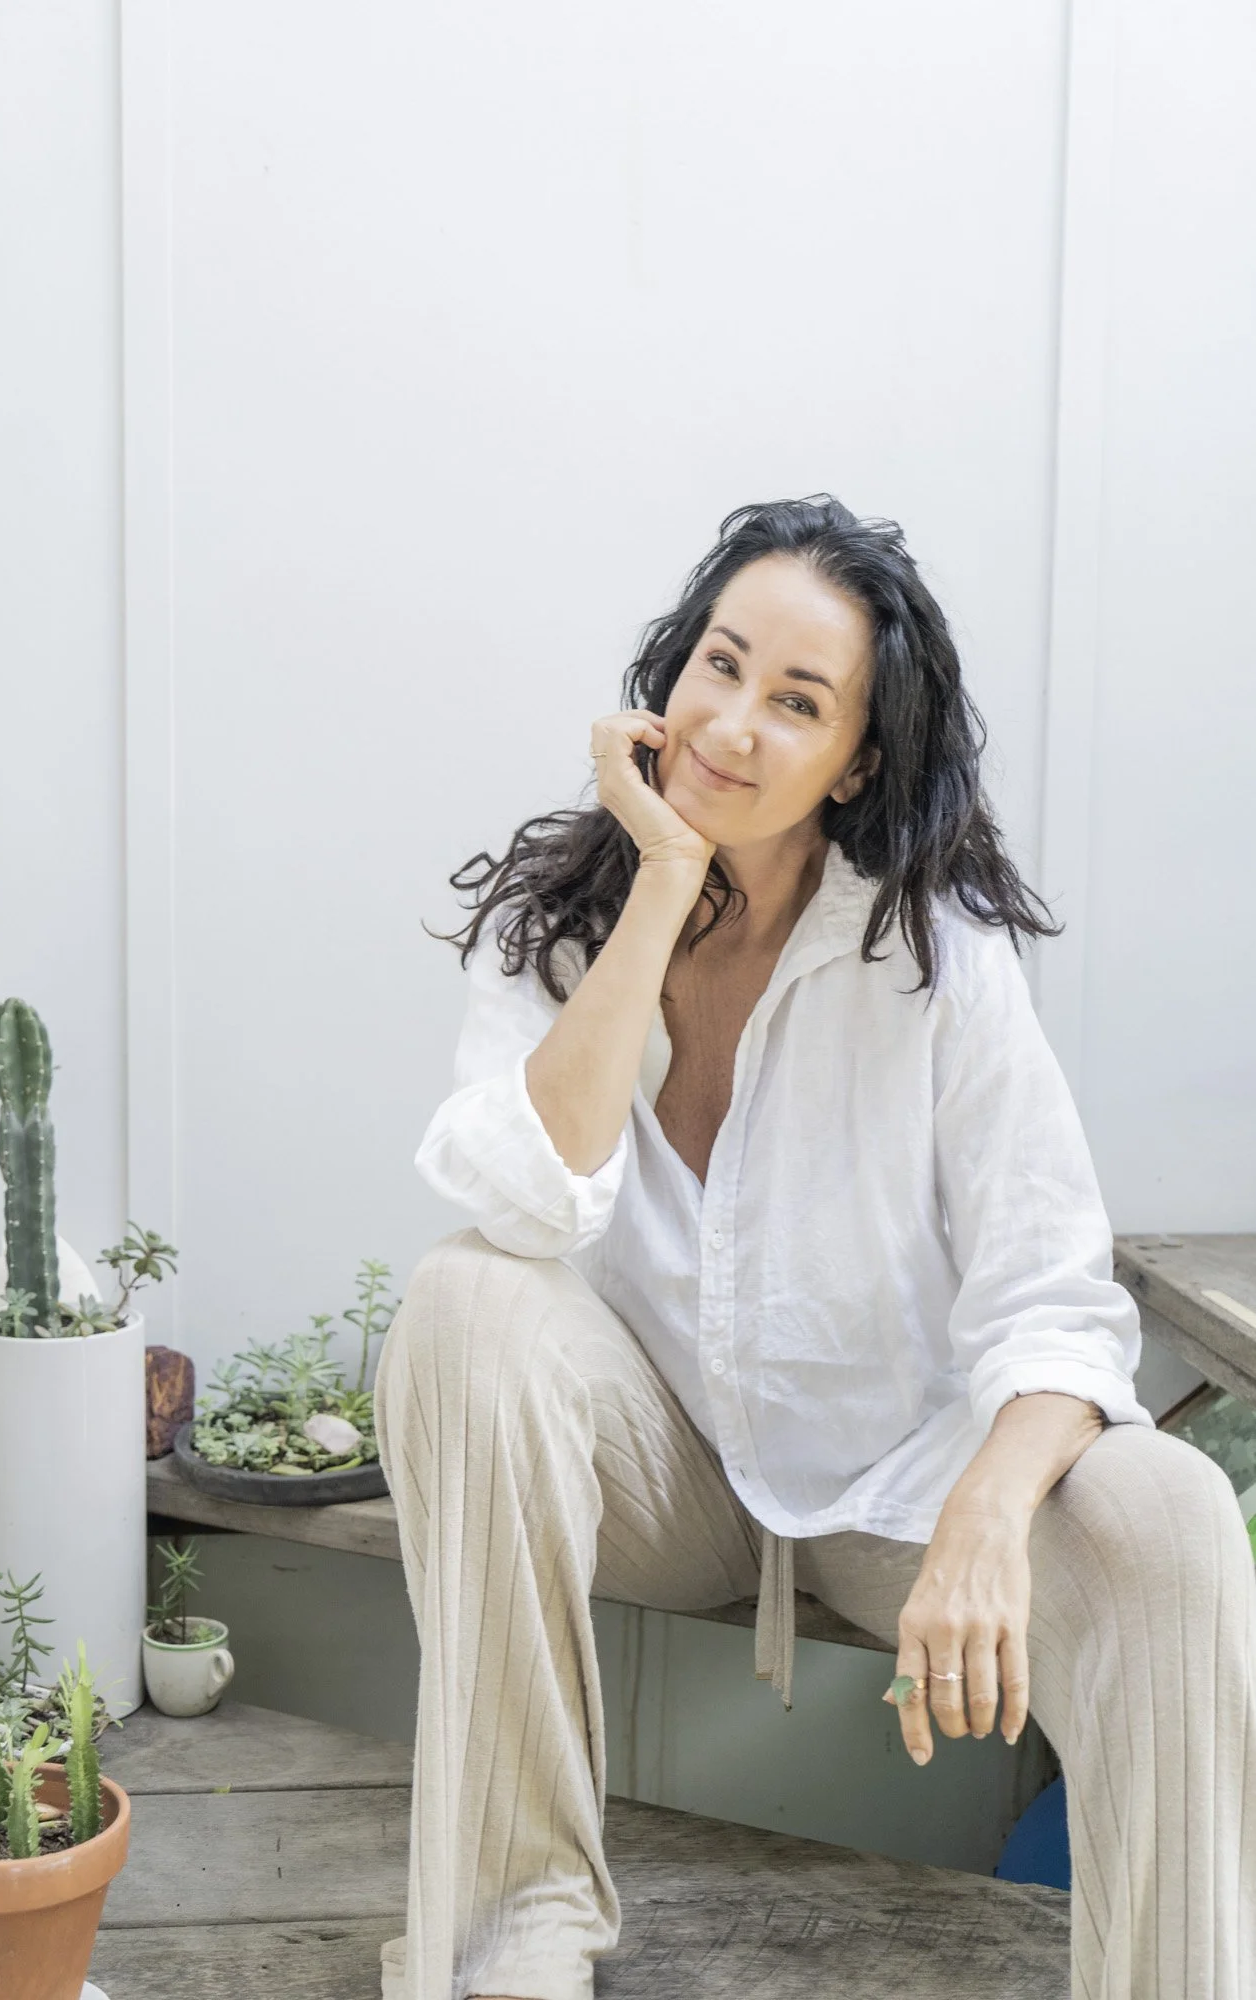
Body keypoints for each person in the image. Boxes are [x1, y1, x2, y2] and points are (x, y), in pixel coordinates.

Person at [375, 495, 1256, 2000]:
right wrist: (659, 883)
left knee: (1167, 1506)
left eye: (798, 703)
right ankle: (518, 1924)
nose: (732, 724)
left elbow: (1058, 1298)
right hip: (672, 1472)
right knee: (464, 1303)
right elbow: (530, 1200)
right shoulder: (568, 922)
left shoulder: (936, 956)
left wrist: (984, 1520)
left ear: (856, 758)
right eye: (720, 665)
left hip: (895, 1493)